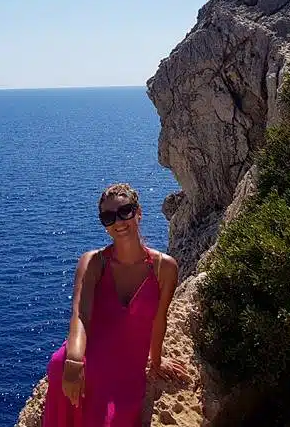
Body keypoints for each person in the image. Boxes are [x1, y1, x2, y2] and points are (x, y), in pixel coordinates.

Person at [42, 183, 189, 427]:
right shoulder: (93, 262)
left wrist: (156, 359)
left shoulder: (165, 267)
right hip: (86, 357)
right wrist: (74, 360)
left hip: (127, 367)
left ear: (138, 212)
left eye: (125, 211)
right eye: (108, 217)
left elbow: (159, 318)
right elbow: (81, 315)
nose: (118, 222)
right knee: (61, 371)